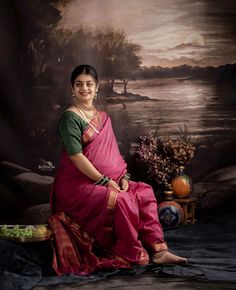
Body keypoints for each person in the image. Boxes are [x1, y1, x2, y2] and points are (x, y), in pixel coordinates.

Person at [48, 64, 187, 276]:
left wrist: (123, 177)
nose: (84, 88)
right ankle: (131, 252)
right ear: (72, 89)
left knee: (144, 191)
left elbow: (113, 155)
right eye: (79, 84)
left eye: (89, 84)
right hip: (77, 185)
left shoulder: (103, 118)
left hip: (110, 178)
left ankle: (159, 251)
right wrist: (104, 181)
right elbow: (76, 157)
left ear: (97, 89)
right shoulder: (70, 118)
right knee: (121, 200)